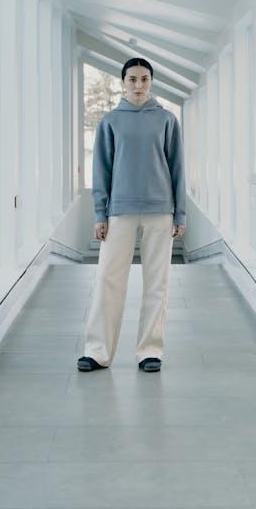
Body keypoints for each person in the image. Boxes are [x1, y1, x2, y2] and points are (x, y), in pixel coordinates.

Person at [77, 57, 186, 373]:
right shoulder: (110, 121)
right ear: (122, 82)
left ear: (151, 82)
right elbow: (102, 170)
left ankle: (150, 351)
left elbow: (177, 168)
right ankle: (97, 351)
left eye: (145, 78)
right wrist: (101, 213)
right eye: (133, 79)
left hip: (160, 212)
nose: (139, 85)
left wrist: (179, 214)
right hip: (120, 212)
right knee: (108, 279)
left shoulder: (166, 119)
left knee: (157, 282)